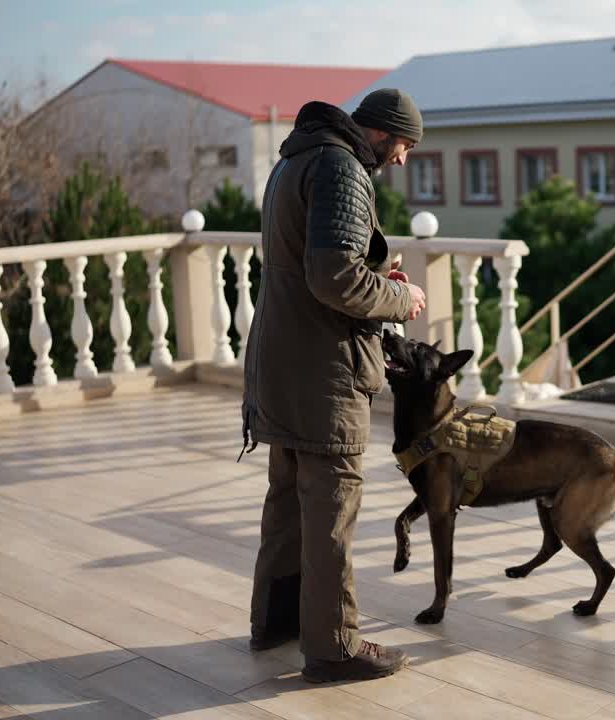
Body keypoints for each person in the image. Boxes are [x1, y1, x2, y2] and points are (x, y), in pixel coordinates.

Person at [240, 88, 428, 683]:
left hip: (279, 362)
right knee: (329, 512)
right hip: (324, 374)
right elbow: (334, 278)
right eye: (404, 146)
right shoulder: (343, 168)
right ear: (382, 132)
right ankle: (334, 648)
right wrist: (401, 296)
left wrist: (374, 277)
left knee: (287, 505)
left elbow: (313, 266)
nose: (401, 161)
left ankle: (277, 623)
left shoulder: (294, 159)